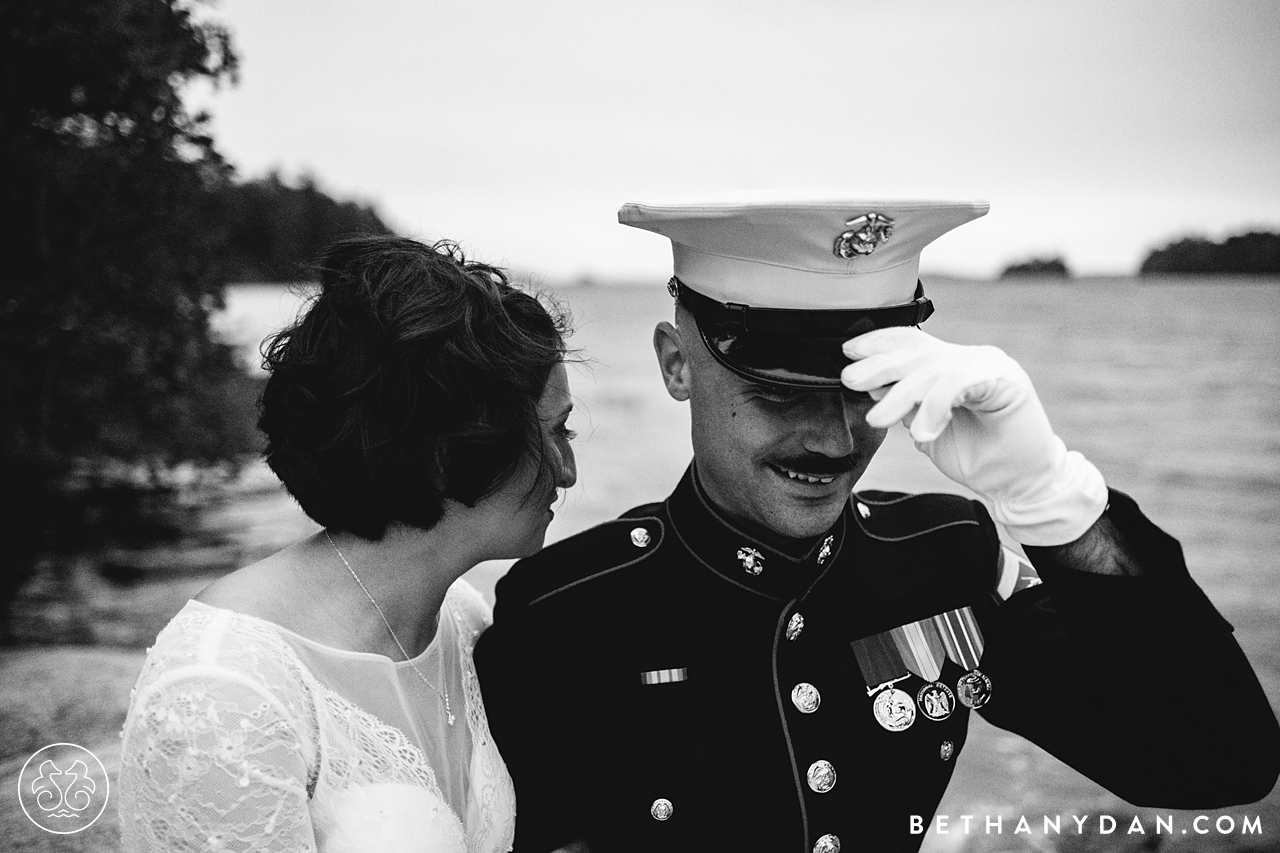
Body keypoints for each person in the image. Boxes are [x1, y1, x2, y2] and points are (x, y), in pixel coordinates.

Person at [473, 197, 1280, 853]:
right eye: (780, 392)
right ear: (677, 363)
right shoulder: (563, 614)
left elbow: (1220, 761)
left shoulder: (946, 557)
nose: (832, 439)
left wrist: (1052, 495)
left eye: (865, 390)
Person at [118, 235, 577, 852]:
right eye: (555, 432)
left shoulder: (462, 618)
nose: (568, 470)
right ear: (450, 453)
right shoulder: (223, 689)